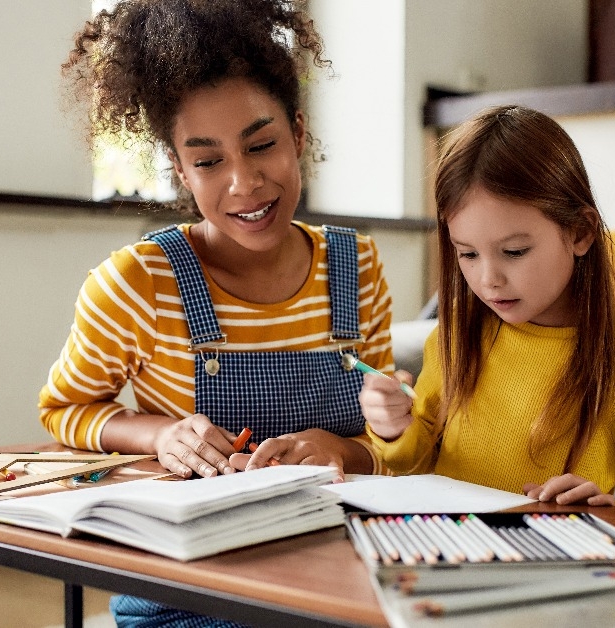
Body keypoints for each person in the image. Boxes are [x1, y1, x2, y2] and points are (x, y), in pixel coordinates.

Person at [43, 1, 395, 625]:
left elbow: (392, 441)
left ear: (299, 135)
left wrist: (345, 451)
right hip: (189, 592)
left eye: (262, 145)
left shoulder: (356, 268)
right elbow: (63, 410)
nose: (244, 182)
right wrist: (159, 433)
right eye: (208, 161)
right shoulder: (138, 283)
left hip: (337, 568)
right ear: (179, 168)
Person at [360, 105, 615, 516]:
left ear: (580, 232)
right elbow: (416, 465)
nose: (488, 279)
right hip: (448, 552)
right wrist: (394, 429)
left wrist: (610, 511)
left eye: (514, 251)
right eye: (468, 253)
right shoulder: (453, 338)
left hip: (552, 569)